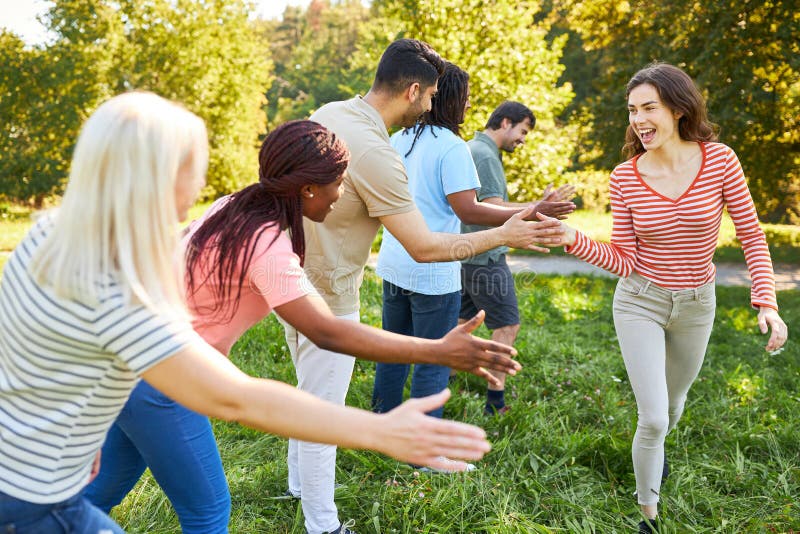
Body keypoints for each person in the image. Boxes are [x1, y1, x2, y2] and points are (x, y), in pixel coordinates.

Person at [0, 92, 500, 534]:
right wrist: (385, 424)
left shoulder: (52, 232)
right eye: (191, 164)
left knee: (104, 487)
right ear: (156, 176)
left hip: (40, 468)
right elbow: (241, 395)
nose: (197, 179)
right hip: (35, 494)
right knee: (210, 512)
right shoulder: (125, 293)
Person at [284, 39, 567, 534]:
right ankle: (323, 524)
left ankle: (298, 485)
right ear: (413, 90)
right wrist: (507, 233)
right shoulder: (377, 150)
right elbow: (425, 246)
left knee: (310, 397)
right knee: (323, 413)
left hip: (293, 278)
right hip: (329, 296)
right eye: (431, 95)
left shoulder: (330, 111)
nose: (434, 105)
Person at [545, 63, 788, 532]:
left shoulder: (720, 160)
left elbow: (753, 237)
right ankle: (648, 517)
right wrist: (570, 237)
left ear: (677, 108)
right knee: (654, 418)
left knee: (674, 407)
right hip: (640, 301)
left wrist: (767, 302)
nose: (638, 119)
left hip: (697, 304)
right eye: (632, 110)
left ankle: (654, 457)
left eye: (648, 107)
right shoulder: (626, 176)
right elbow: (625, 260)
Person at [371, 65, 574, 430]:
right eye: (464, 98)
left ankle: (381, 425)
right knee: (433, 360)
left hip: (395, 264)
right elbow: (469, 209)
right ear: (447, 99)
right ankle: (424, 446)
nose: (467, 107)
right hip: (435, 271)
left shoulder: (400, 138)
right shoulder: (452, 146)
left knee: (393, 352)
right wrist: (533, 212)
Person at [458, 101, 575, 415]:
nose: (523, 139)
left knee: (460, 322)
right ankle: (494, 404)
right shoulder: (484, 155)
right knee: (507, 324)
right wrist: (541, 208)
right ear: (505, 122)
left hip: (466, 252)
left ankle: (444, 380)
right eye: (522, 131)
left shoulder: (472, 148)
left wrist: (539, 205)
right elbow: (495, 211)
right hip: (485, 257)